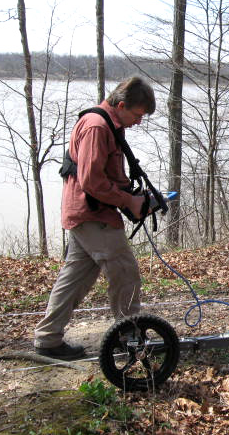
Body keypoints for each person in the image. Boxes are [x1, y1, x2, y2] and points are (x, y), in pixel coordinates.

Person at [34, 77, 156, 360]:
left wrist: (138, 198)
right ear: (122, 105)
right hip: (91, 214)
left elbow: (106, 176)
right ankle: (129, 337)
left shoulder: (110, 126)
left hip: (88, 212)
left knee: (76, 277)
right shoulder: (97, 126)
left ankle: (48, 338)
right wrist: (128, 201)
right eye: (137, 115)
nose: (139, 122)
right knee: (125, 271)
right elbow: (91, 181)